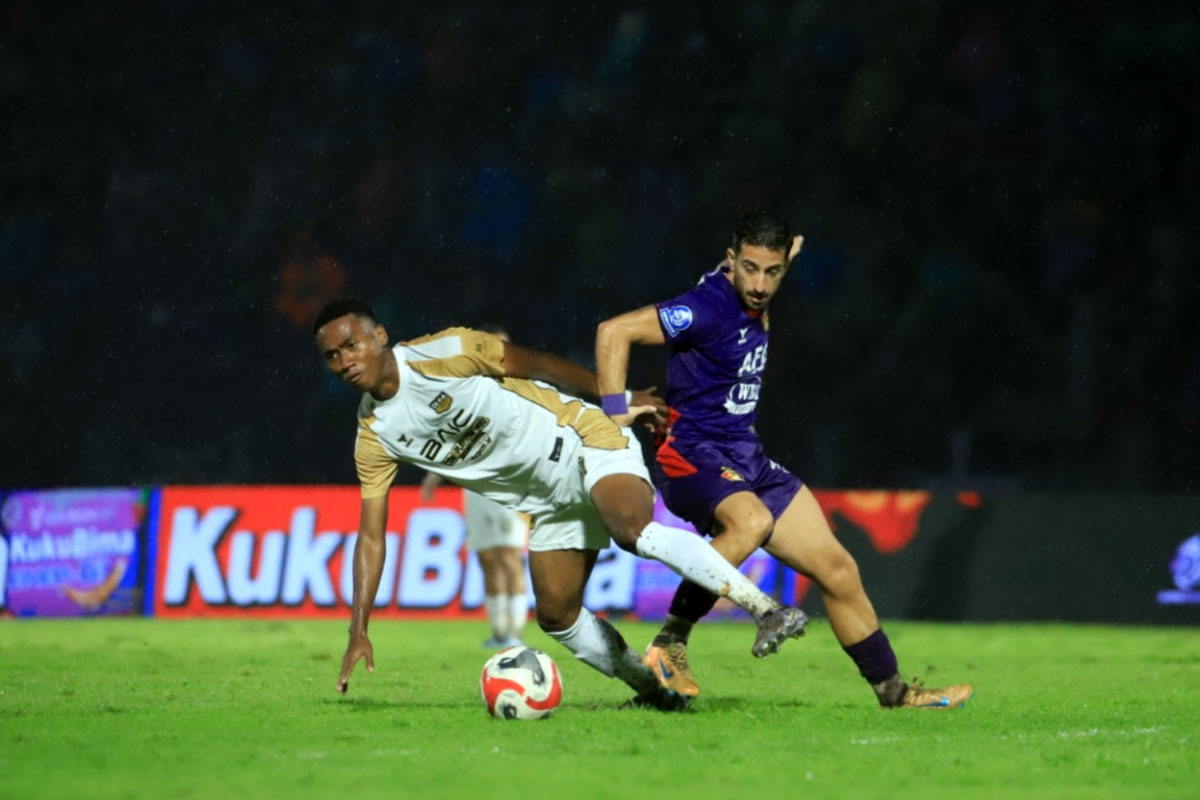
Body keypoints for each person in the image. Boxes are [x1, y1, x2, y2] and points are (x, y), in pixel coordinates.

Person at [312, 298, 808, 709]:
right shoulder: (373, 436)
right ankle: (654, 692)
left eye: (351, 344)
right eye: (332, 356)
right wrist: (358, 629)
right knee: (556, 616)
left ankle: (767, 610)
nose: (345, 360)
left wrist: (616, 399)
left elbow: (542, 365)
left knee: (631, 529)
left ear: (379, 336)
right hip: (548, 503)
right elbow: (372, 536)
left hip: (581, 443)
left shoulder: (446, 351)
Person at [594, 211, 973, 709]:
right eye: (749, 269)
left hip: (746, 454)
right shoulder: (705, 306)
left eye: (772, 272)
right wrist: (614, 414)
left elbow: (765, 264)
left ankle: (894, 692)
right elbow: (612, 331)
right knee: (750, 521)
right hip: (692, 453)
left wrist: (783, 258)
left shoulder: (756, 282)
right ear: (731, 262)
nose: (759, 284)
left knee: (838, 568)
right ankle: (670, 641)